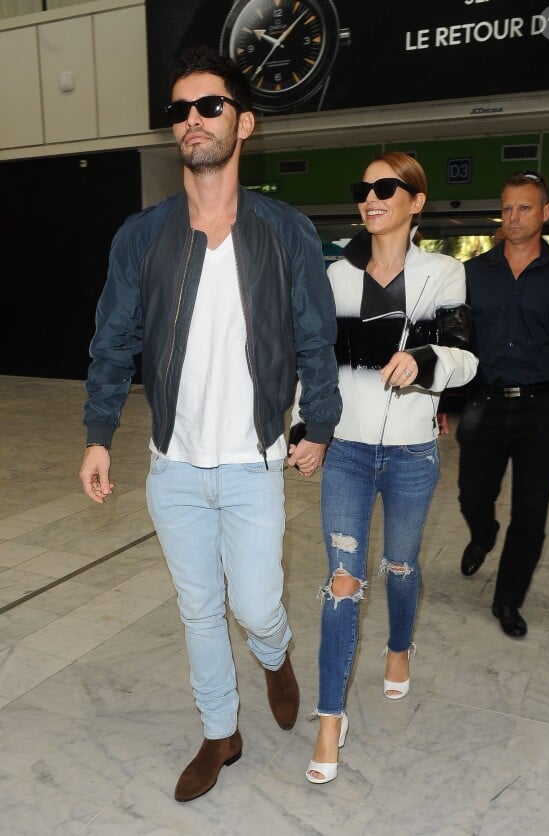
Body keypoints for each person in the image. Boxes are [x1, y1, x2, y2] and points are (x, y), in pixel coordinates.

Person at [79, 44, 341, 802]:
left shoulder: (286, 232)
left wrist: (317, 422)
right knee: (198, 608)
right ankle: (220, 733)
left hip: (255, 461)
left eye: (210, 106)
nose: (191, 120)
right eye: (180, 110)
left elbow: (314, 337)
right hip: (176, 466)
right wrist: (98, 433)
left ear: (244, 123)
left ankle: (277, 653)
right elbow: (113, 341)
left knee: (255, 604)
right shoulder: (143, 236)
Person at [289, 151, 478, 785]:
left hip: (409, 454)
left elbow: (464, 357)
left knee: (399, 563)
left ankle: (399, 647)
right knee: (343, 579)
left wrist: (426, 361)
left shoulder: (443, 273)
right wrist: (305, 429)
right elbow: (312, 364)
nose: (371, 198)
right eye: (363, 188)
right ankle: (329, 719)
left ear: (416, 200)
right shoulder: (335, 277)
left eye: (386, 188)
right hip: (344, 448)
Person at [457, 170, 549, 638]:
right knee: (472, 495)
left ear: (546, 213)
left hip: (541, 410)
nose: (513, 216)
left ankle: (508, 599)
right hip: (482, 404)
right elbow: (456, 344)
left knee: (530, 513)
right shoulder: (473, 273)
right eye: (507, 208)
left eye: (524, 207)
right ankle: (482, 534)